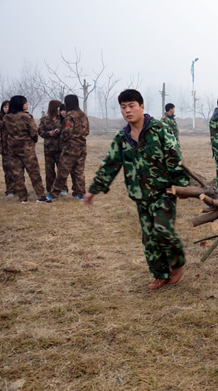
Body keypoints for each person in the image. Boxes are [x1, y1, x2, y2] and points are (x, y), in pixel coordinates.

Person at [84, 89, 190, 290]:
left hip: (163, 192)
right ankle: (160, 274)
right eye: (123, 107)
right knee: (149, 237)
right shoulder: (122, 137)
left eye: (132, 106)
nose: (127, 110)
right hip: (140, 195)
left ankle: (177, 265)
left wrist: (181, 185)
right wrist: (94, 189)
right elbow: (110, 164)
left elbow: (175, 157)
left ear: (142, 107)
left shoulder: (159, 129)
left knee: (163, 230)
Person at [2, 95, 50, 203]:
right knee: (34, 173)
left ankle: (23, 198)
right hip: (27, 149)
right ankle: (41, 196)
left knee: (17, 174)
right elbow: (34, 132)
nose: (27, 104)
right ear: (20, 104)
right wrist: (32, 141)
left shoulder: (6, 118)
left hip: (13, 150)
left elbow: (4, 135)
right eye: (25, 102)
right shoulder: (27, 117)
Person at [47, 95, 89, 201]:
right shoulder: (83, 115)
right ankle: (81, 193)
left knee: (62, 171)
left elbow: (66, 132)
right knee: (79, 172)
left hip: (70, 149)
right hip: (82, 148)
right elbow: (87, 131)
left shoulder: (70, 116)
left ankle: (54, 194)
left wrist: (63, 138)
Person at [38, 100, 65, 195]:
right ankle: (50, 189)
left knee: (61, 170)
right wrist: (49, 133)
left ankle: (63, 189)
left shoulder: (63, 119)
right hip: (49, 149)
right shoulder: (44, 119)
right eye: (59, 107)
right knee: (49, 171)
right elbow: (40, 132)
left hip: (60, 148)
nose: (60, 109)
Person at [0, 100, 16, 197]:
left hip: (16, 148)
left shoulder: (15, 119)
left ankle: (18, 188)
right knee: (8, 170)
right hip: (6, 149)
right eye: (5, 107)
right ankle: (10, 190)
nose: (7, 109)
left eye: (8, 107)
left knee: (17, 170)